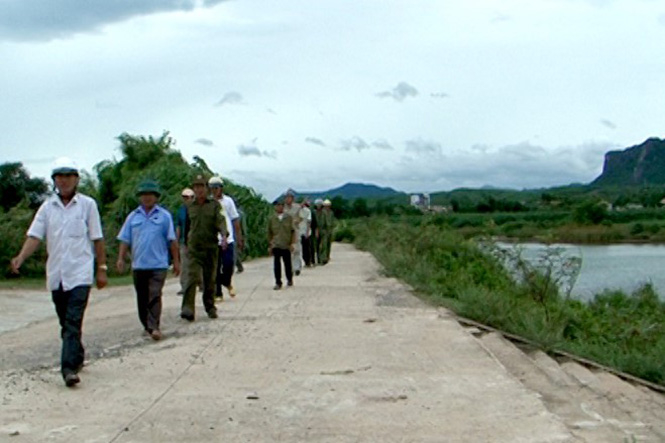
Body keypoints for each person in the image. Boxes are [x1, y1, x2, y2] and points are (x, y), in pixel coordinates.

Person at [10, 157, 107, 388]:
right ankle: (77, 354)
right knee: (66, 322)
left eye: (68, 176)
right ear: (54, 180)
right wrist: (21, 258)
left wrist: (101, 269)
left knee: (73, 320)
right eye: (59, 177)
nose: (63, 181)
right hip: (57, 275)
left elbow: (97, 239)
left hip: (80, 273)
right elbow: (35, 236)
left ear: (76, 179)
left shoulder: (87, 205)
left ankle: (68, 369)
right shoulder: (47, 207)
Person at [116, 180, 180, 341]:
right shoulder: (133, 217)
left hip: (158, 264)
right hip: (139, 264)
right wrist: (120, 259)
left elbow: (172, 241)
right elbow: (125, 239)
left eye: (150, 195)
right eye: (144, 195)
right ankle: (147, 325)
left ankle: (154, 326)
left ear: (156, 197)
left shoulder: (164, 216)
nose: (147, 198)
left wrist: (177, 262)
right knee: (142, 297)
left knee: (155, 294)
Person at [180, 175, 227, 321]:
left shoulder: (214, 205)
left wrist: (224, 236)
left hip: (210, 248)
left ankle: (210, 307)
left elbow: (221, 221)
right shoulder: (189, 207)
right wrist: (184, 243)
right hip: (194, 249)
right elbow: (186, 227)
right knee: (191, 278)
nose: (199, 190)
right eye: (196, 187)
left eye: (202, 187)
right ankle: (187, 309)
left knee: (209, 280)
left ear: (207, 189)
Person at [208, 176, 244, 300]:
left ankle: (226, 281)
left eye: (216, 188)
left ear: (221, 188)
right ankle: (218, 293)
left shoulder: (228, 201)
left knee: (228, 264)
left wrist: (239, 237)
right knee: (216, 267)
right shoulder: (209, 203)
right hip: (214, 239)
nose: (214, 190)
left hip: (227, 239)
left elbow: (235, 219)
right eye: (212, 188)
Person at [268, 198, 295, 290]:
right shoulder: (272, 219)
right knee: (277, 264)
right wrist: (270, 245)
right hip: (276, 244)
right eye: (277, 206)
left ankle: (289, 278)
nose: (279, 207)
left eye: (281, 205)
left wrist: (292, 244)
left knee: (287, 263)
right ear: (275, 207)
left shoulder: (288, 217)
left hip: (286, 243)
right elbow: (269, 232)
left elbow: (292, 231)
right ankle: (278, 282)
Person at [175, 187, 194, 295]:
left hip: (195, 241)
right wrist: (176, 241)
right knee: (184, 265)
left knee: (197, 264)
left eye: (190, 197)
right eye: (185, 197)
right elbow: (178, 225)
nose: (188, 199)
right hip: (183, 240)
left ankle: (200, 284)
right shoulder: (181, 210)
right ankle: (184, 286)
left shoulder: (196, 209)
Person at [283, 190, 303, 275]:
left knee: (297, 250)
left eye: (289, 197)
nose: (288, 199)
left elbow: (301, 218)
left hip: (295, 230)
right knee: (288, 251)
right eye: (286, 197)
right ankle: (289, 268)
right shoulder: (282, 208)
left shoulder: (297, 207)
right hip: (285, 232)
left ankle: (297, 267)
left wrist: (296, 221)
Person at [319, 199, 335, 265]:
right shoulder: (322, 212)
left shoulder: (331, 212)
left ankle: (327, 256)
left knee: (329, 244)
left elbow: (332, 221)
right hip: (324, 230)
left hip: (330, 230)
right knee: (324, 245)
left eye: (328, 205)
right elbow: (321, 222)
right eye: (326, 206)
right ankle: (323, 258)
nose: (327, 207)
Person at [299, 199, 313, 267]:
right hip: (299, 232)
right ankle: (303, 261)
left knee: (306, 248)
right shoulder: (297, 211)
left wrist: (307, 232)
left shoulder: (307, 211)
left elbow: (309, 222)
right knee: (300, 248)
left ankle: (308, 261)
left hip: (305, 232)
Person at [235, 203, 247, 273]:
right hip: (230, 234)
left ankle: (239, 266)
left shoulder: (240, 214)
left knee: (236, 252)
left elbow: (243, 226)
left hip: (238, 234)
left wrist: (243, 237)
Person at [313, 198, 324, 264]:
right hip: (315, 230)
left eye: (320, 205)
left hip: (322, 230)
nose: (319, 206)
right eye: (317, 205)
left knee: (322, 246)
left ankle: (321, 259)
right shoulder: (313, 212)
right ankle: (315, 259)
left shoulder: (324, 212)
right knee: (315, 246)